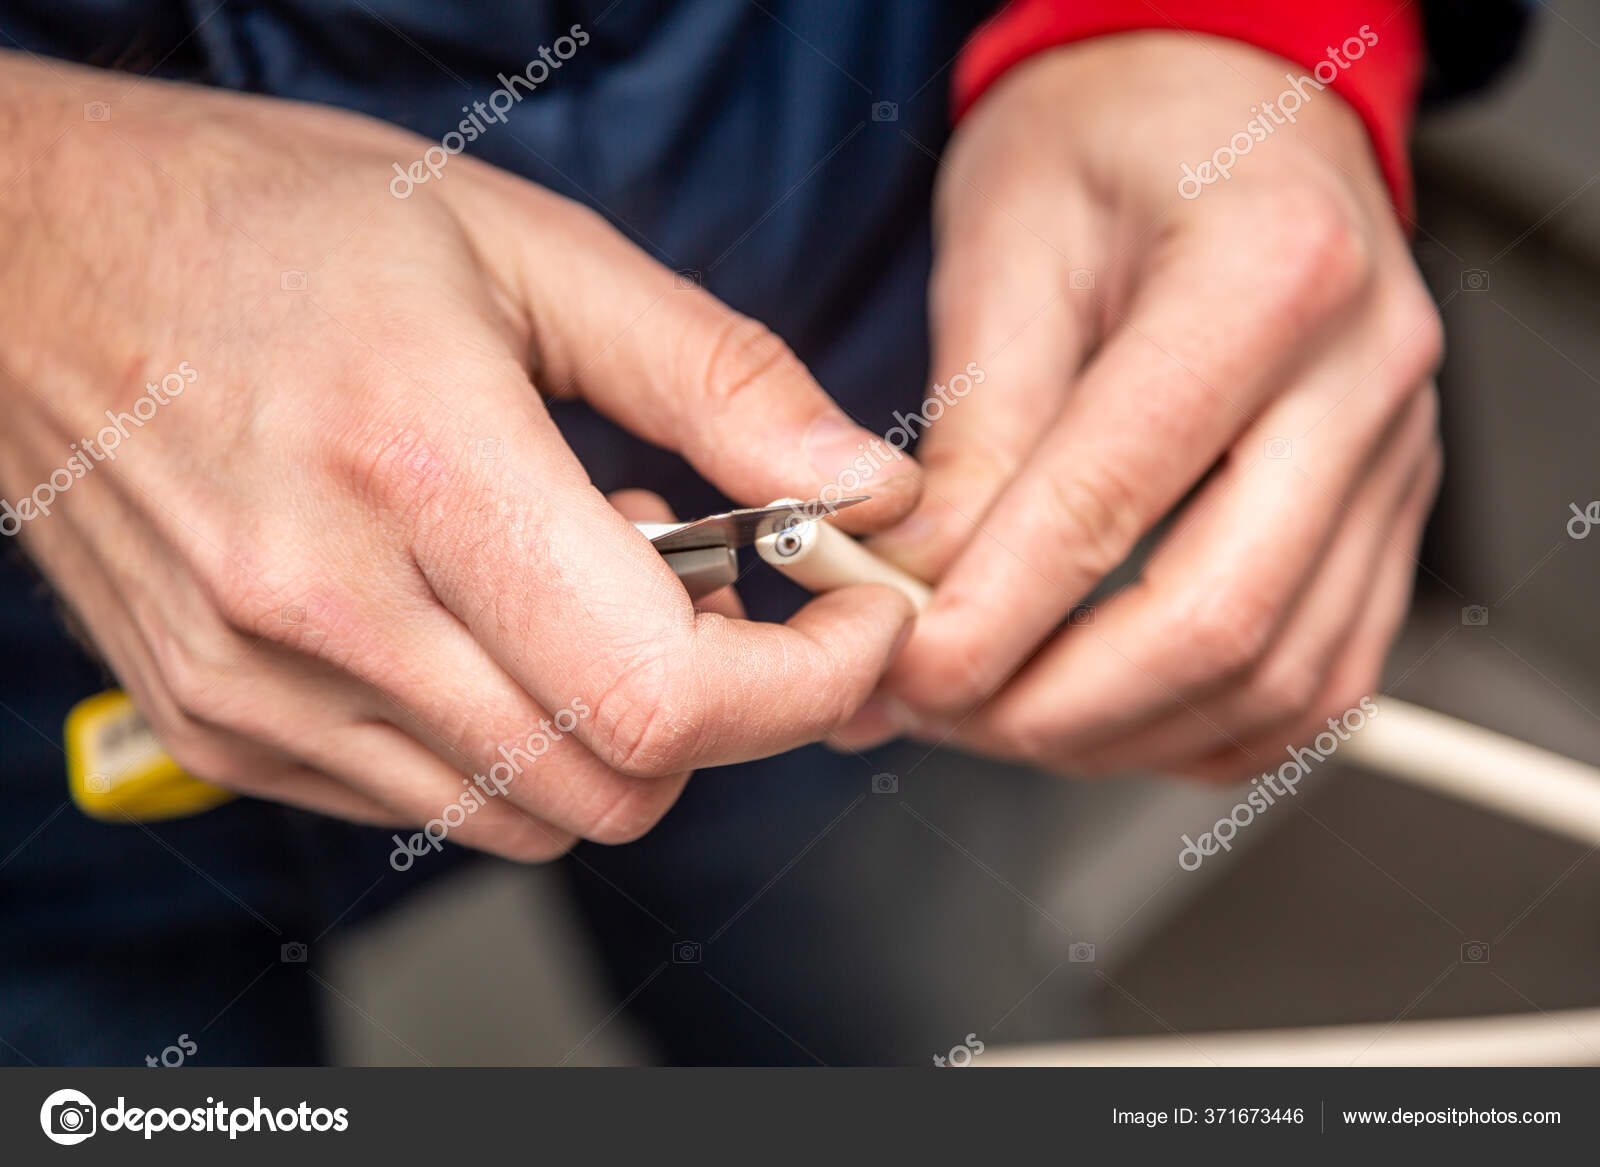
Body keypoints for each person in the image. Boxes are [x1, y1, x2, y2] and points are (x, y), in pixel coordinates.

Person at [0, 1, 1526, 1065]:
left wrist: (1228, 23)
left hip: (873, 328)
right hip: (35, 786)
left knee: (914, 1031)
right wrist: (37, 219)